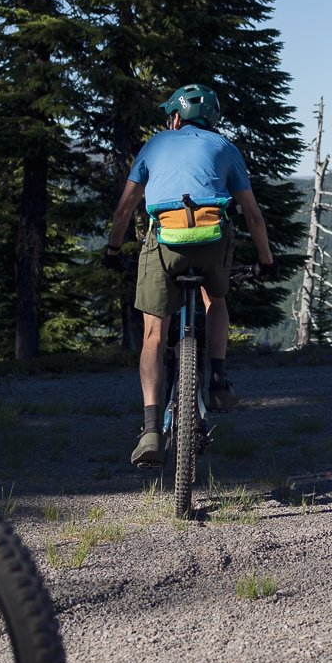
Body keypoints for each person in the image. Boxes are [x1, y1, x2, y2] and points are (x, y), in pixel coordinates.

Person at [103, 84, 274, 467]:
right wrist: (266, 261)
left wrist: (113, 251)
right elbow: (252, 214)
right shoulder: (225, 147)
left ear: (176, 117)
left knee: (154, 332)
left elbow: (124, 210)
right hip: (212, 242)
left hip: (165, 243)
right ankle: (218, 379)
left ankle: (150, 429)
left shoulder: (155, 145)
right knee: (216, 299)